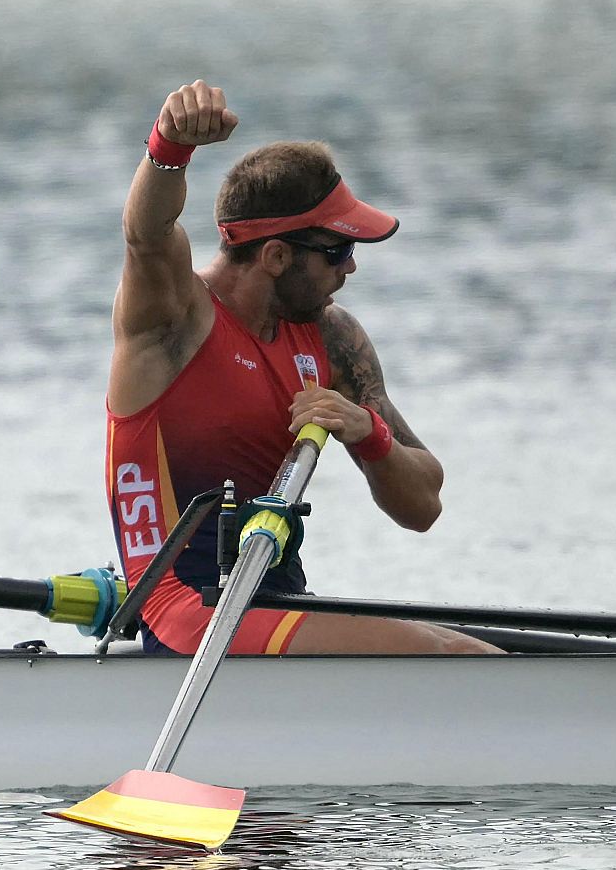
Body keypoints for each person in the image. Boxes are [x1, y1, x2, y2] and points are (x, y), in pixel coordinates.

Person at [106, 80, 499, 657]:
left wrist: (369, 435)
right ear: (276, 256)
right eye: (337, 251)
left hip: (274, 605)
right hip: (186, 613)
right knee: (459, 657)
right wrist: (169, 146)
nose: (353, 268)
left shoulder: (331, 337)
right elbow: (146, 237)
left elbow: (425, 504)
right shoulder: (173, 320)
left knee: (460, 647)